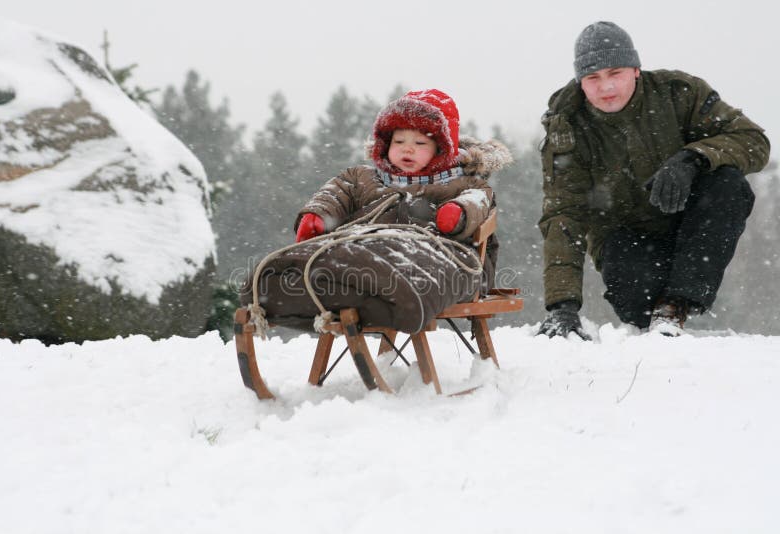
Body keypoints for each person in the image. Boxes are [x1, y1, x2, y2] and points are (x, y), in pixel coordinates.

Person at [536, 21, 770, 338]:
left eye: (615, 73)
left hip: (690, 225)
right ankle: (654, 310)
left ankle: (674, 306)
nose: (606, 88)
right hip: (625, 238)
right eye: (593, 78)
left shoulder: (680, 94)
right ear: (581, 82)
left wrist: (693, 158)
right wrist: (562, 306)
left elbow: (753, 141)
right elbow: (564, 212)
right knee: (636, 301)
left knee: (729, 184)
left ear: (635, 69)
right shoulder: (569, 127)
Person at [295, 88, 511, 281]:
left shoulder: (461, 183)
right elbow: (336, 193)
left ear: (441, 150)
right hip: (365, 254)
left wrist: (458, 213)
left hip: (438, 257)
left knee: (404, 270)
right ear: (386, 144)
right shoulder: (363, 177)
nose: (407, 149)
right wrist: (318, 216)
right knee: (326, 265)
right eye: (399, 142)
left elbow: (476, 200)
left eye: (419, 143)